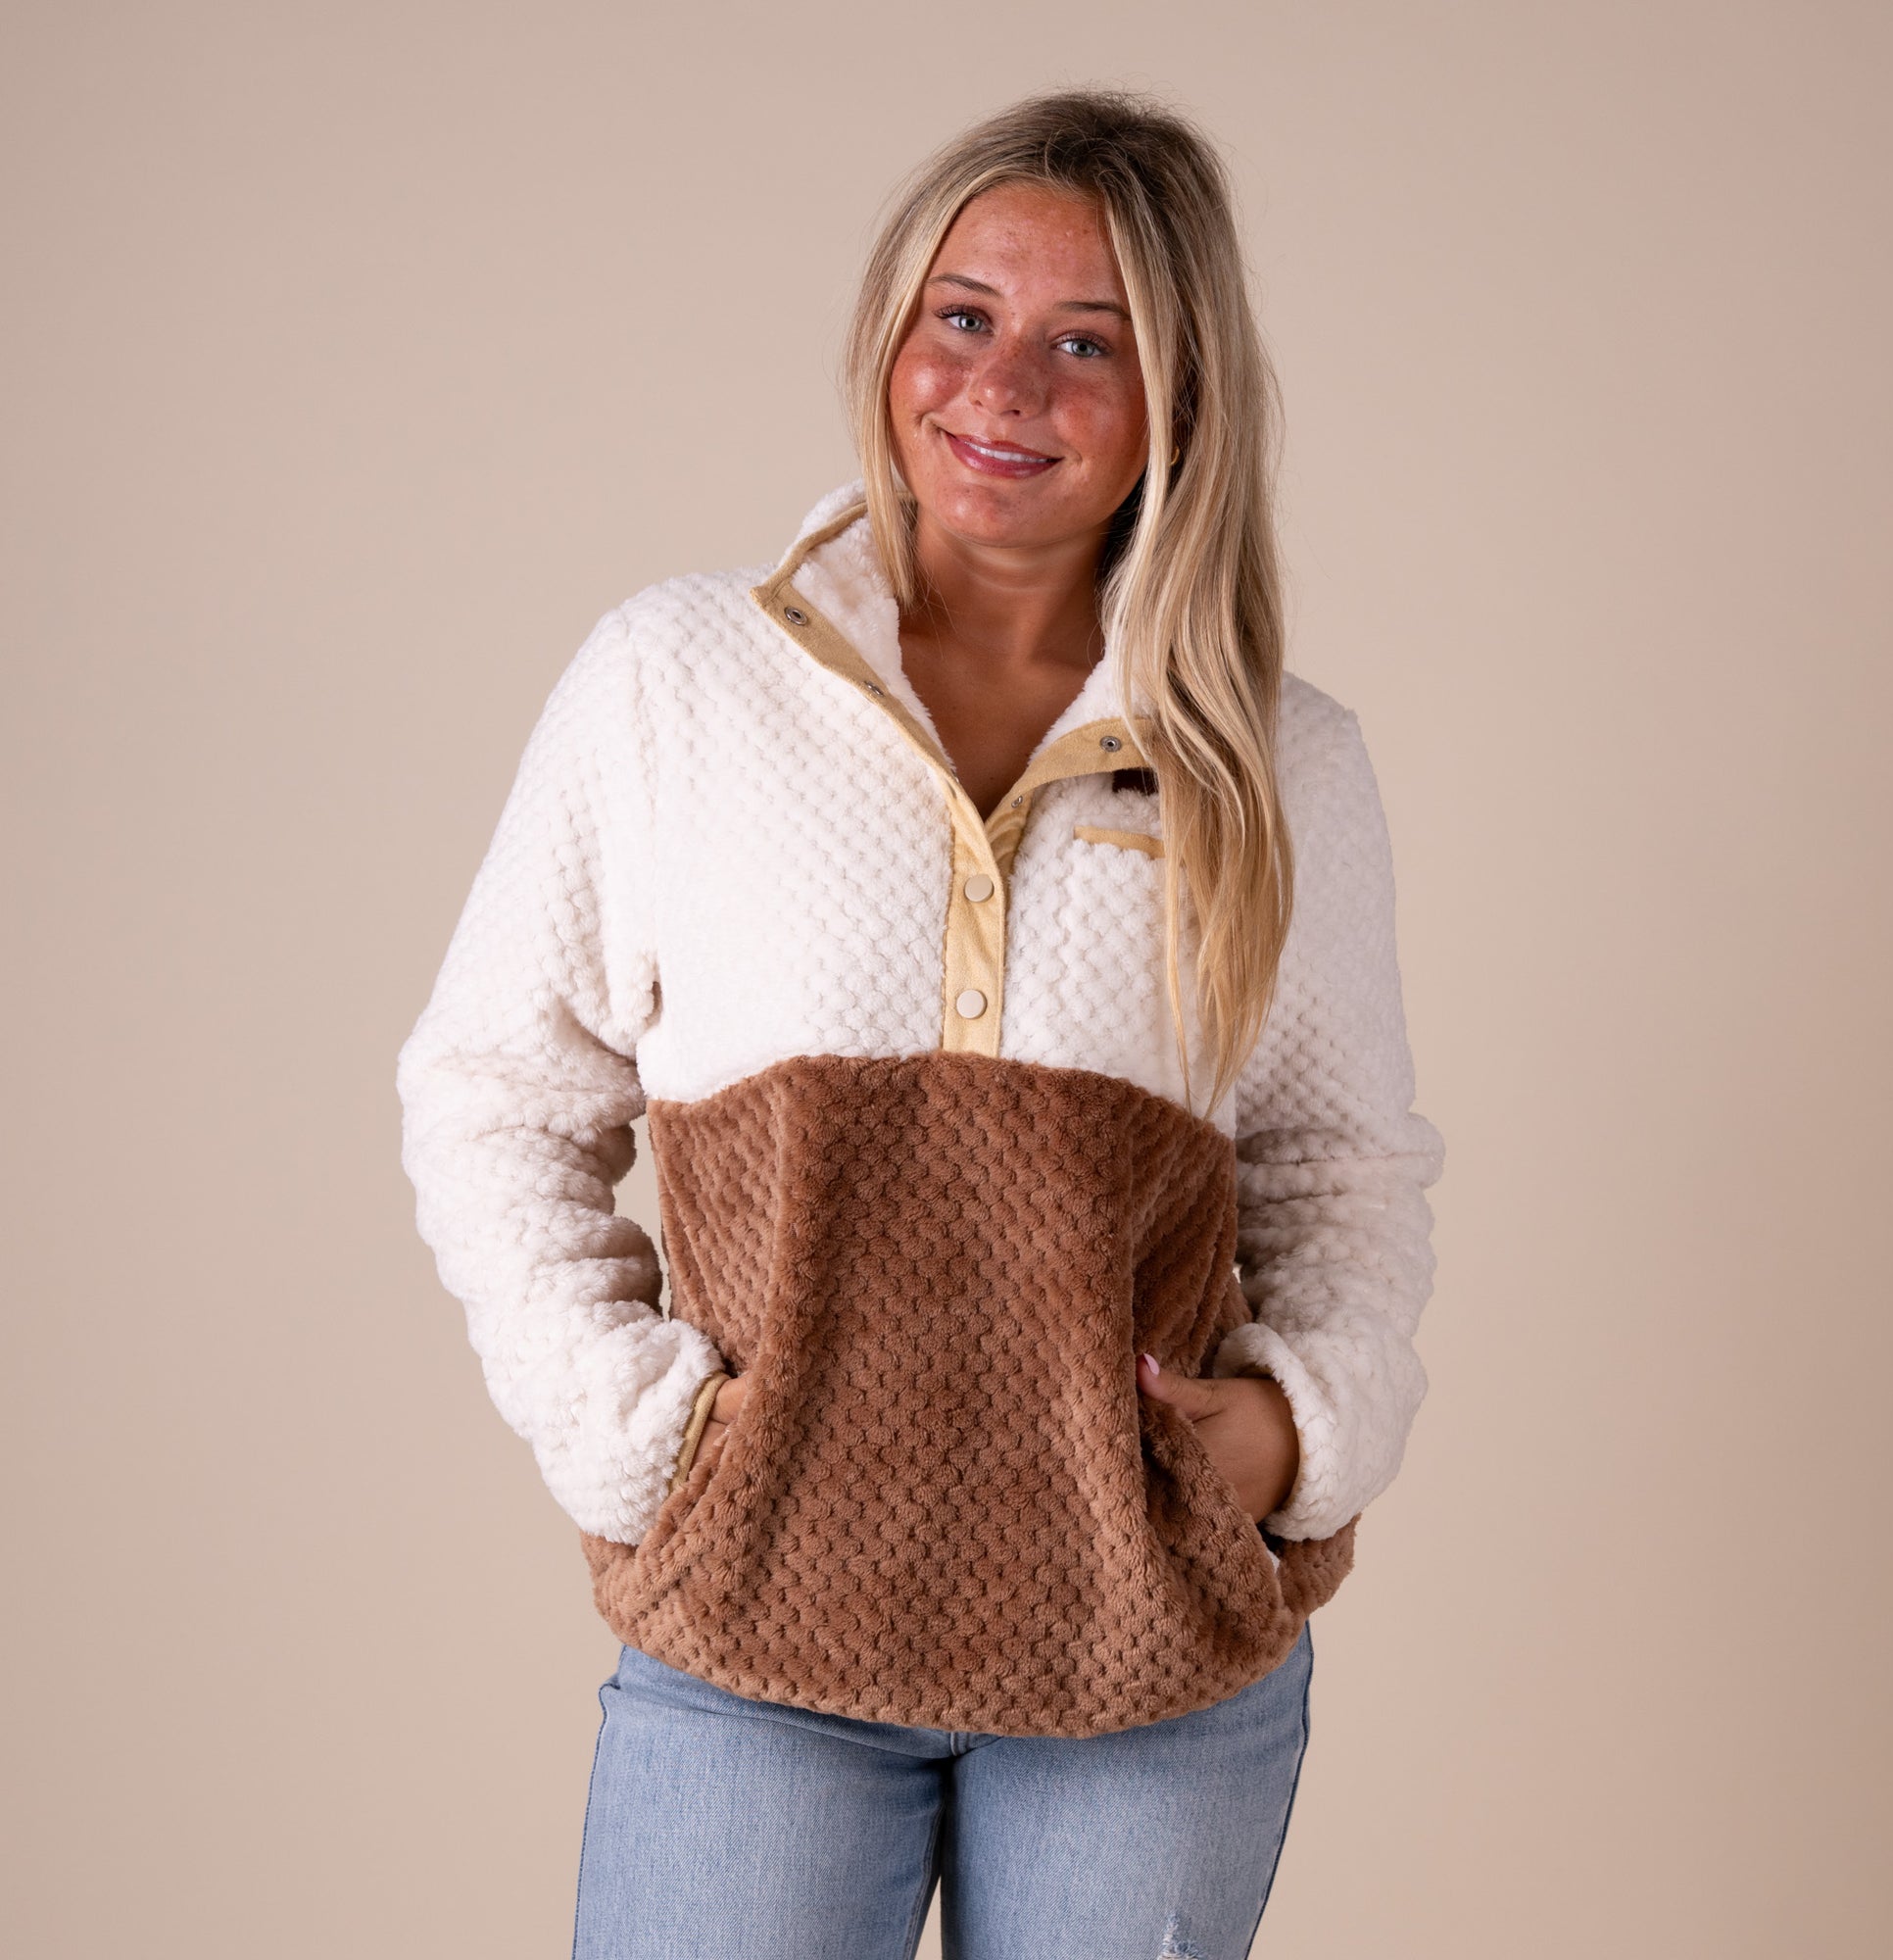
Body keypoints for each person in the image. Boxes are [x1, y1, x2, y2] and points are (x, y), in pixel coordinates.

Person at [398, 86, 1445, 1960]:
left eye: (1084, 345)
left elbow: (1341, 1170)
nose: (1002, 389)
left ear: (1178, 401)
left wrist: (1296, 1436)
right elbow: (491, 1092)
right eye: (961, 316)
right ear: (891, 331)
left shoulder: (1286, 765)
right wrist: (635, 1435)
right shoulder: (677, 680)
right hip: (758, 1635)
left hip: (1149, 1671)